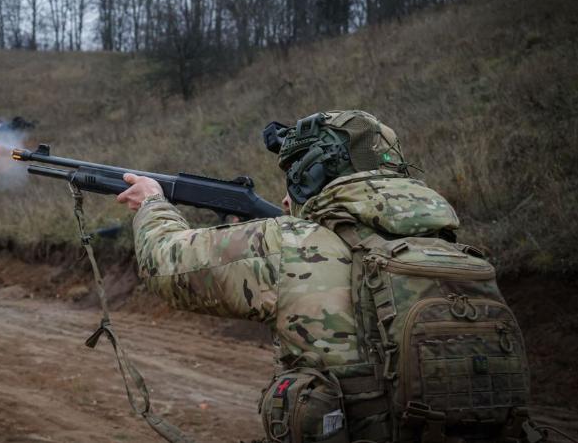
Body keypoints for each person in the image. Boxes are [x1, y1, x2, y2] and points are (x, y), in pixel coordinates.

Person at [116, 110, 532, 443]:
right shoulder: (458, 253)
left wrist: (153, 202)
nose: (284, 198)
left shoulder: (291, 243)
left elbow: (166, 264)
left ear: (312, 176)